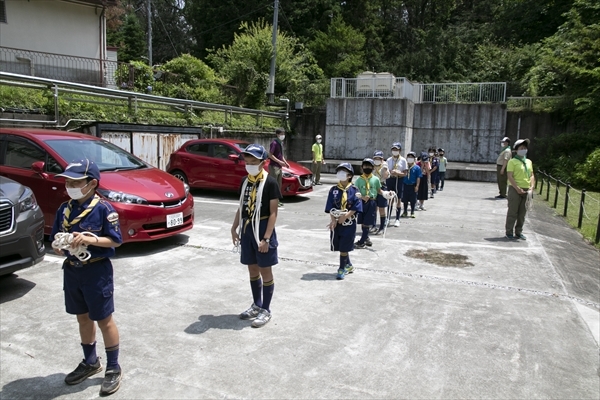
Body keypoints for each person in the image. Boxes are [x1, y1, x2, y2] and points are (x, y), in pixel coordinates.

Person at [50, 159, 123, 396]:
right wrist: (59, 246)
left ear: (91, 183)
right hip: (73, 270)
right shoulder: (65, 208)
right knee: (82, 318)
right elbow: (56, 236)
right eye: (68, 181)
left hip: (96, 271)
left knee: (104, 319)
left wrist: (90, 239)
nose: (70, 185)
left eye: (75, 182)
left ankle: (113, 367)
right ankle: (90, 361)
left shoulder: (104, 209)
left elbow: (115, 240)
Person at [231, 144, 281, 328]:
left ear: (263, 162)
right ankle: (256, 304)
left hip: (262, 229)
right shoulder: (245, 181)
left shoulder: (270, 182)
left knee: (265, 270)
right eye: (247, 161)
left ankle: (266, 309)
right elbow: (241, 206)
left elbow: (274, 213)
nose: (249, 164)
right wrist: (234, 227)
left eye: (254, 162)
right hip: (247, 230)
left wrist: (266, 238)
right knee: (252, 269)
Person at [325, 163, 363, 280]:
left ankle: (341, 268)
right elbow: (330, 206)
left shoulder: (354, 190)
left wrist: (345, 216)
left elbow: (356, 206)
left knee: (344, 247)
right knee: (341, 245)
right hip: (337, 223)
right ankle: (349, 265)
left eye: (343, 171)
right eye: (339, 171)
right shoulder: (333, 190)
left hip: (349, 223)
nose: (340, 173)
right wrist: (333, 220)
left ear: (349, 175)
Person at [505, 139, 535, 240]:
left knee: (522, 213)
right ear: (516, 150)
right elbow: (510, 176)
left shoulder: (528, 161)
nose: (524, 150)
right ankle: (509, 231)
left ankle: (519, 231)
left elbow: (531, 175)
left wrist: (532, 186)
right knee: (513, 211)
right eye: (521, 148)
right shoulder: (512, 162)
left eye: (525, 148)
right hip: (515, 189)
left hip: (526, 189)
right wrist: (517, 188)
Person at [354, 158, 384, 249]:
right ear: (362, 167)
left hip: (371, 202)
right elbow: (355, 192)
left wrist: (387, 194)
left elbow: (379, 191)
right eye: (365, 166)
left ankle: (362, 241)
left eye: (369, 166)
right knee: (363, 221)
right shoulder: (359, 180)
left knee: (367, 221)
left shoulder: (375, 179)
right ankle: (366, 237)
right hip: (362, 202)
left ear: (373, 167)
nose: (367, 168)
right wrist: (362, 197)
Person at [386, 142, 407, 227]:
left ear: (400, 150)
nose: (395, 151)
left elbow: (405, 173)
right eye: (393, 149)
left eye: (396, 149)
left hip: (399, 180)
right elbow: (386, 171)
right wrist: (391, 172)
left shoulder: (403, 160)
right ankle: (388, 218)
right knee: (390, 199)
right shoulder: (388, 160)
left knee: (398, 200)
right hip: (390, 179)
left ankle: (397, 219)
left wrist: (399, 173)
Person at [370, 150, 390, 235]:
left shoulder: (384, 166)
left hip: (382, 186)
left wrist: (384, 168)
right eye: (375, 158)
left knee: (382, 208)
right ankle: (373, 226)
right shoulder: (371, 166)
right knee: (374, 208)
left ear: (382, 159)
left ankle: (382, 227)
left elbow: (385, 176)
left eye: (379, 159)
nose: (377, 160)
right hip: (373, 187)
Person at [268, 128, 289, 207]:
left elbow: (281, 155)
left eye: (283, 134)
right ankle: (272, 201)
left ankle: (277, 200)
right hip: (274, 166)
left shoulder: (281, 143)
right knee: (273, 184)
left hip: (279, 167)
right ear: (277, 134)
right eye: (281, 134)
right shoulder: (274, 143)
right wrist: (279, 162)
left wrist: (285, 162)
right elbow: (270, 155)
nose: (283, 135)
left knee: (278, 185)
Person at [401, 152, 421, 218]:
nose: (410, 158)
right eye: (409, 157)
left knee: (413, 199)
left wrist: (417, 186)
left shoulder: (417, 168)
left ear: (414, 159)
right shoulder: (404, 166)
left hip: (413, 185)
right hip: (405, 184)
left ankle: (412, 211)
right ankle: (405, 211)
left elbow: (418, 177)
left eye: (411, 157)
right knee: (405, 199)